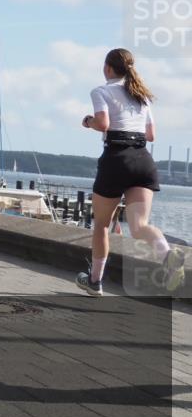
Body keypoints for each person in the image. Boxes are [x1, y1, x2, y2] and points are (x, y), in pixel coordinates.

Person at [76, 48, 184, 296]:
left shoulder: (101, 91)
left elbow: (103, 123)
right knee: (139, 225)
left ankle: (94, 281)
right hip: (143, 161)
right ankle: (168, 255)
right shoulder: (141, 96)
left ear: (108, 68)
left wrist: (88, 121)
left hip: (116, 159)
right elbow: (151, 135)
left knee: (102, 225)